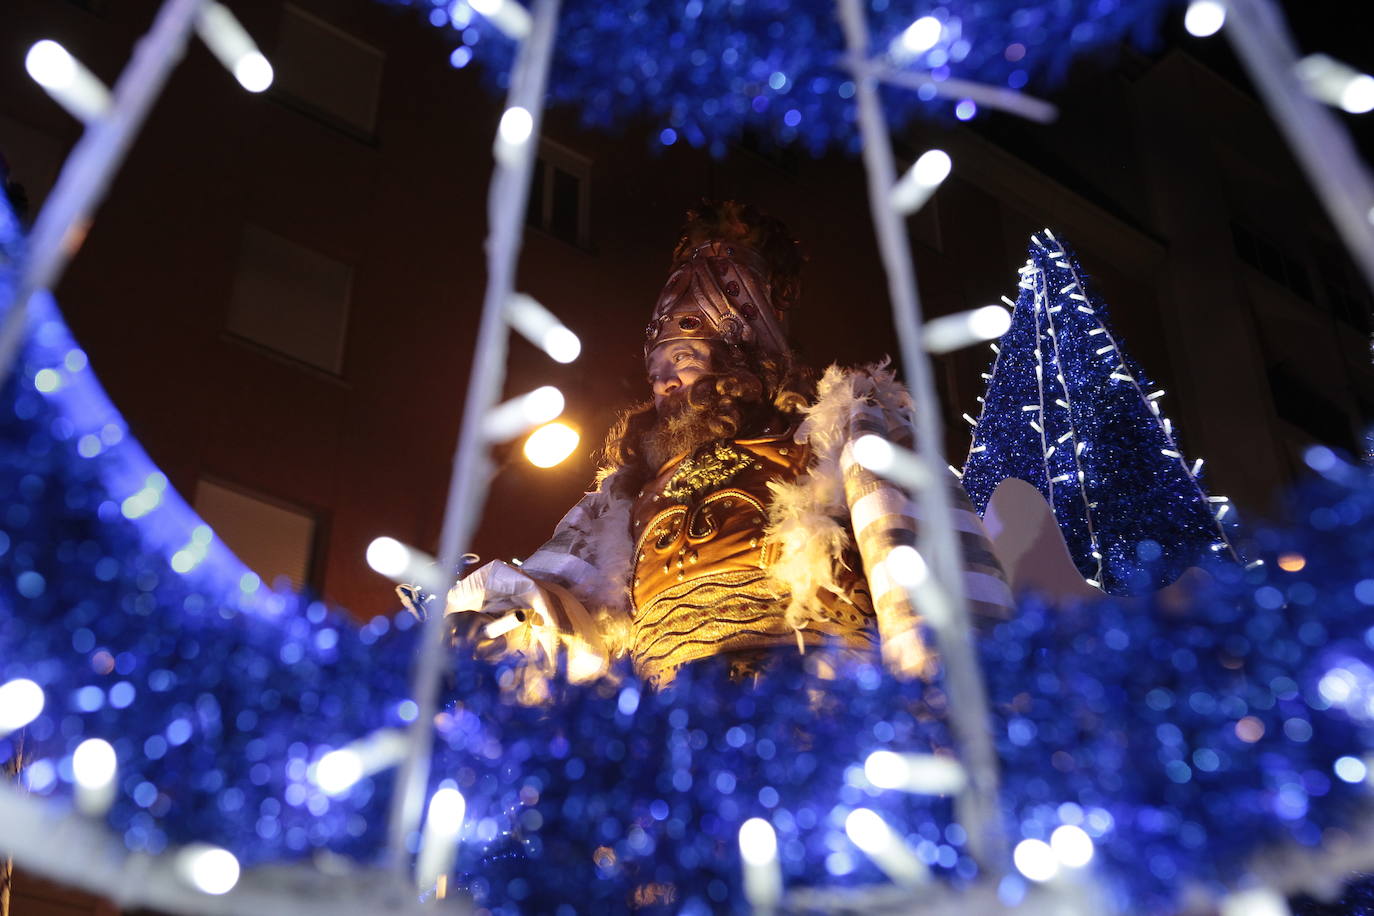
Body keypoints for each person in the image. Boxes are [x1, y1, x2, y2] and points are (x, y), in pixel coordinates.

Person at [440, 201, 1012, 698]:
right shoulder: (623, 497)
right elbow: (560, 603)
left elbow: (932, 577)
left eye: (682, 360)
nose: (664, 383)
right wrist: (479, 626)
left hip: (821, 723)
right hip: (676, 748)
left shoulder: (839, 433)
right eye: (656, 370)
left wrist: (944, 717)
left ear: (742, 361)